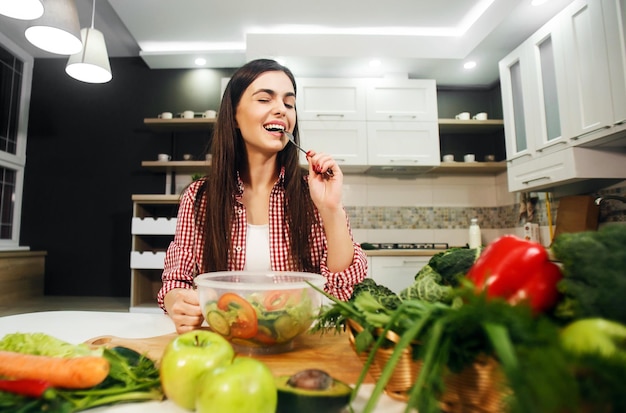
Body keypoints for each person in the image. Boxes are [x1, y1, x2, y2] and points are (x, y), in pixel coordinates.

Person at [158, 59, 368, 333]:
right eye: (265, 99)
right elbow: (176, 279)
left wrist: (331, 209)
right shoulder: (200, 197)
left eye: (289, 103)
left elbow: (341, 290)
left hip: (301, 340)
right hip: (228, 341)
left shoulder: (311, 194)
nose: (281, 110)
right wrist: (180, 303)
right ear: (234, 115)